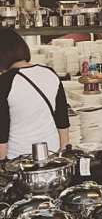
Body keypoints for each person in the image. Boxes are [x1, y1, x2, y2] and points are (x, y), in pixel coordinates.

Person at [0, 28, 70, 160]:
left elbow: (2, 133)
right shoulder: (50, 73)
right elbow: (62, 119)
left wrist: (2, 165)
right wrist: (63, 153)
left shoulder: (4, 82)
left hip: (18, 160)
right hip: (51, 155)